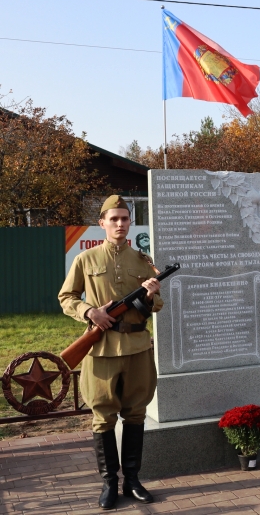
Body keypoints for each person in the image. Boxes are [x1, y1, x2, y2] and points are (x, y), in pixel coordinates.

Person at [59, 196, 162, 509]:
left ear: (130, 223)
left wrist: (151, 295)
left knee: (136, 413)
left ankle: (132, 480)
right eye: (113, 219)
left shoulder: (144, 261)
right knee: (103, 416)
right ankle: (109, 483)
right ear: (102, 223)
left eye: (124, 219)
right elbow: (67, 297)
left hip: (137, 347)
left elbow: (157, 305)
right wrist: (90, 312)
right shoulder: (86, 259)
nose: (119, 224)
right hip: (101, 348)